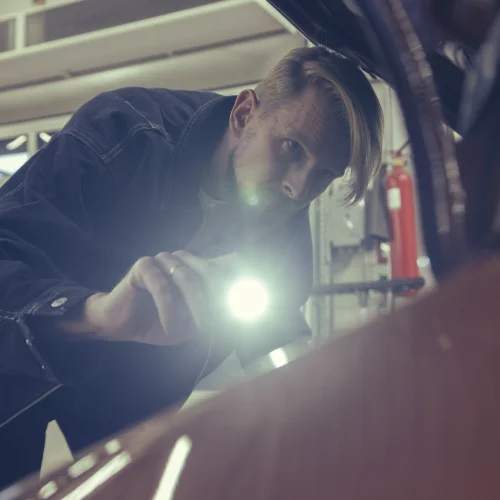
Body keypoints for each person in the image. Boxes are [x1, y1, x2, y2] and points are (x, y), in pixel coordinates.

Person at [0, 46, 382, 488]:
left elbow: (276, 345)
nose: (298, 188)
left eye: (324, 174)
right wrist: (97, 314)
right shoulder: (123, 132)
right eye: (292, 148)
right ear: (244, 115)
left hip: (125, 422)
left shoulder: (285, 235)